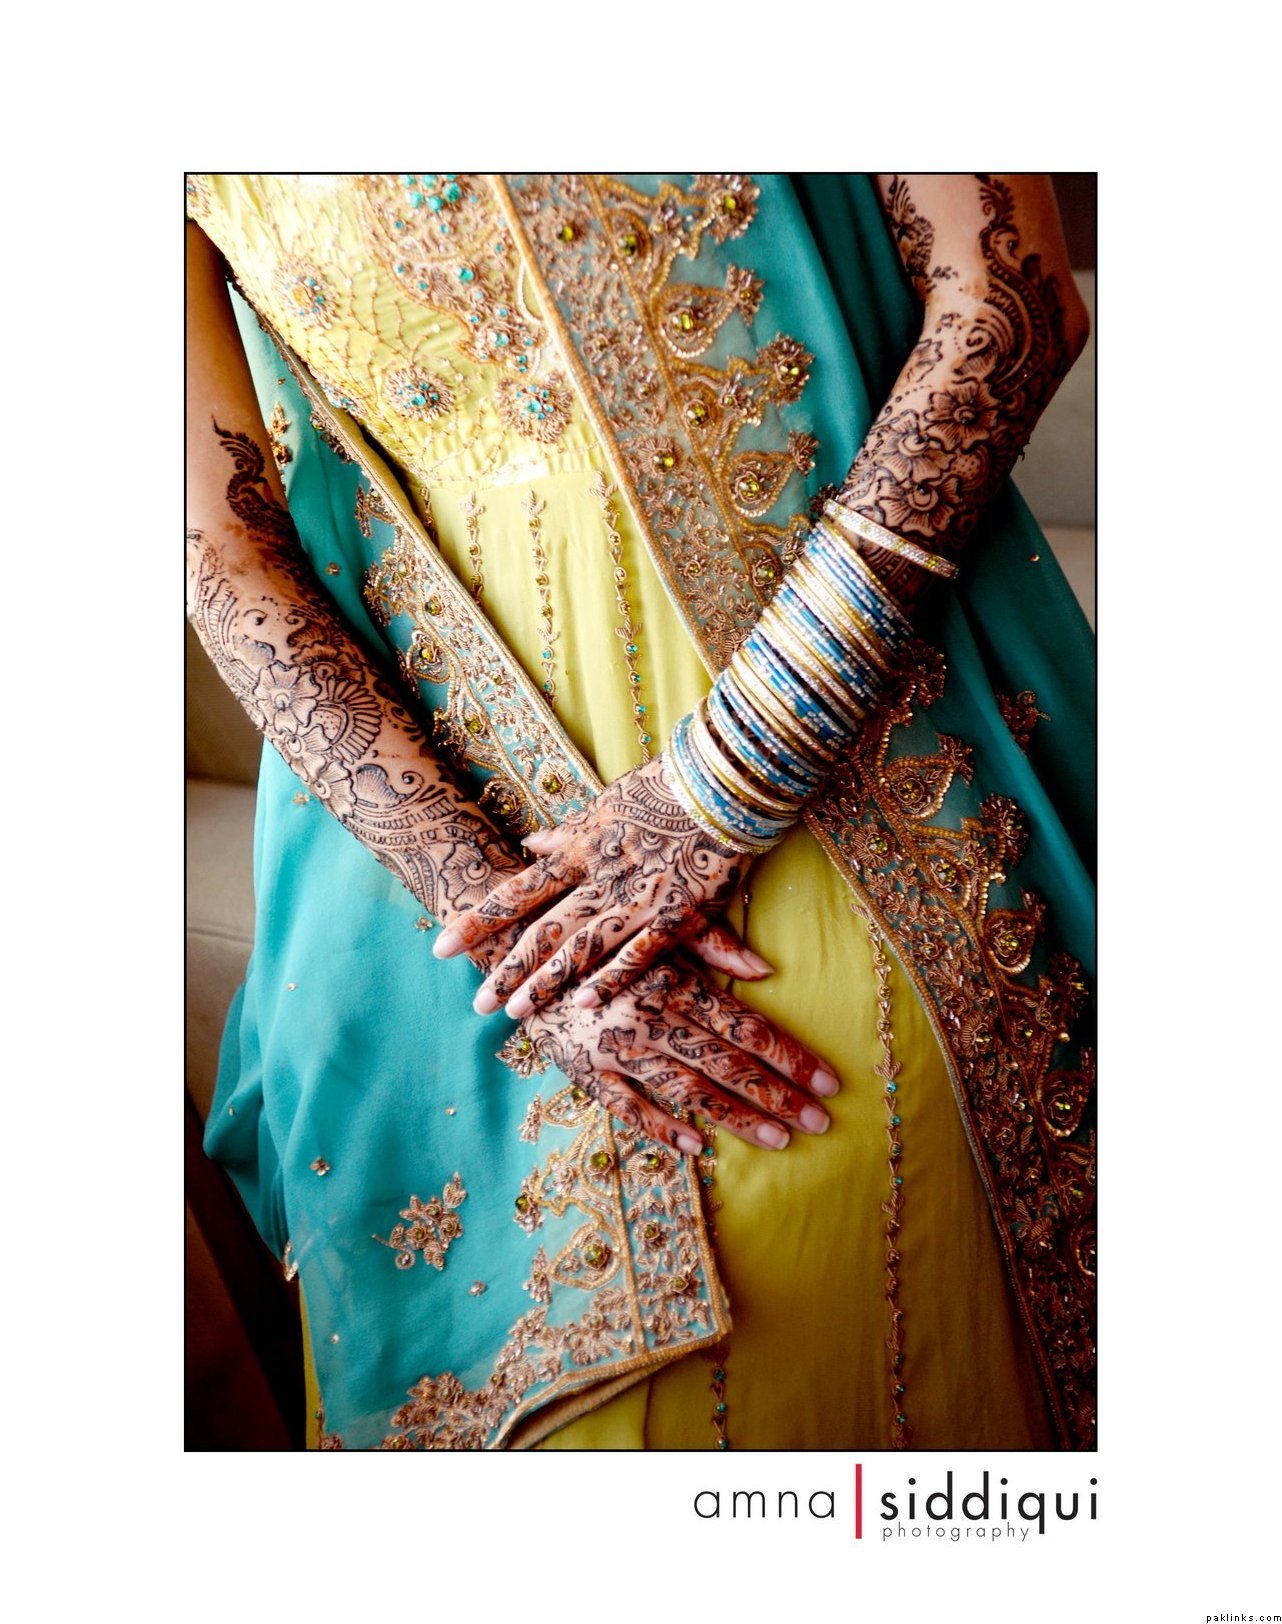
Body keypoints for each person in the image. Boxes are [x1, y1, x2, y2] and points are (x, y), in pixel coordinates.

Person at [186, 173, 1095, 1451]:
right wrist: (510, 930)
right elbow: (220, 551)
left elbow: (1008, 301)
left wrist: (725, 781)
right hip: (438, 858)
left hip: (855, 736)